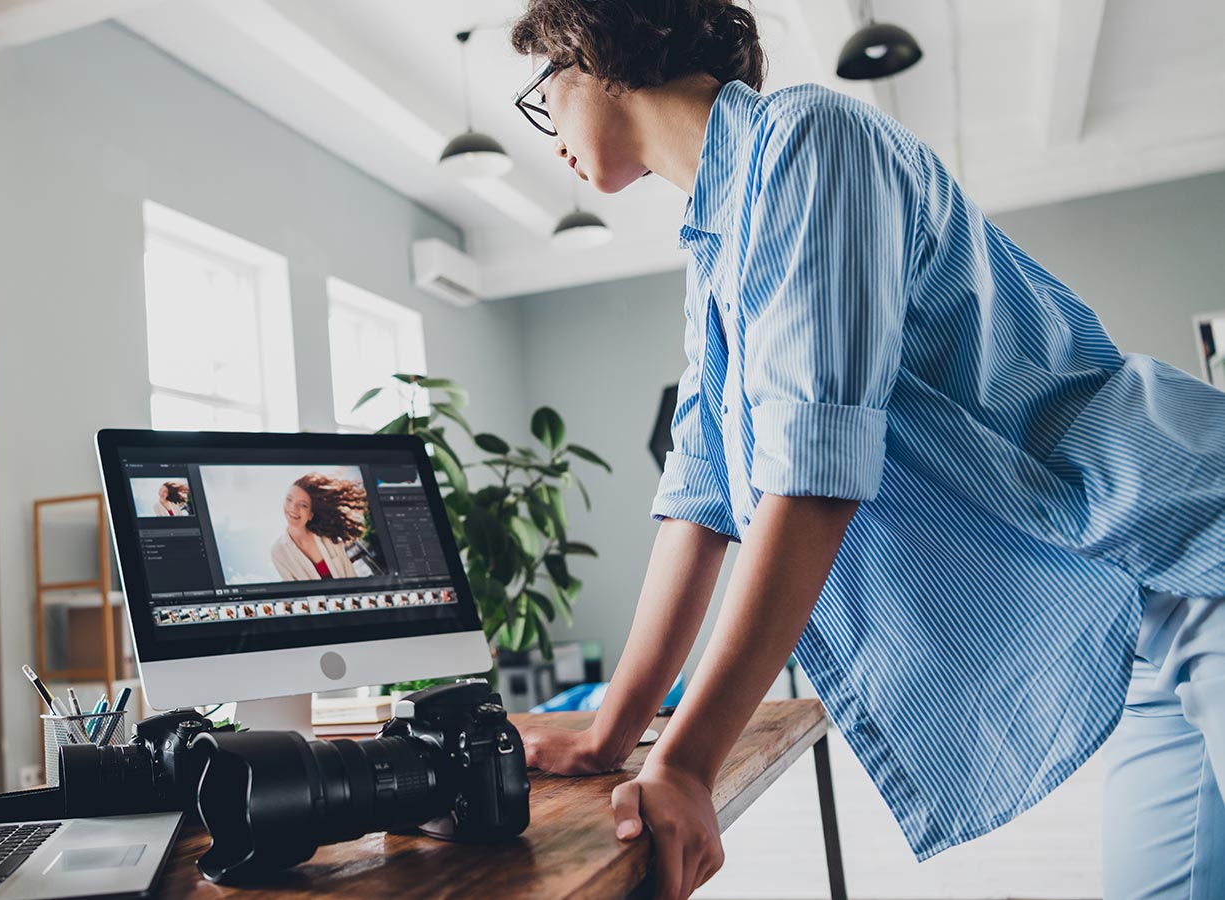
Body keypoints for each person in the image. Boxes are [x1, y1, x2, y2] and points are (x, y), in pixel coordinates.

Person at [506, 2, 1225, 898]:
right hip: (1133, 601)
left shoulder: (809, 139)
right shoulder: (715, 245)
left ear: (590, 49)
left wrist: (686, 763)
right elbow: (700, 493)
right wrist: (611, 735)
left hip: (1190, 534)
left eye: (543, 93)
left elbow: (813, 476)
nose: (549, 134)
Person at [271, 472, 364, 581]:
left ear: (310, 515)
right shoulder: (279, 552)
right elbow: (293, 588)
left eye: (303, 505)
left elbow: (351, 577)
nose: (293, 507)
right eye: (289, 499)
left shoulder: (328, 537)